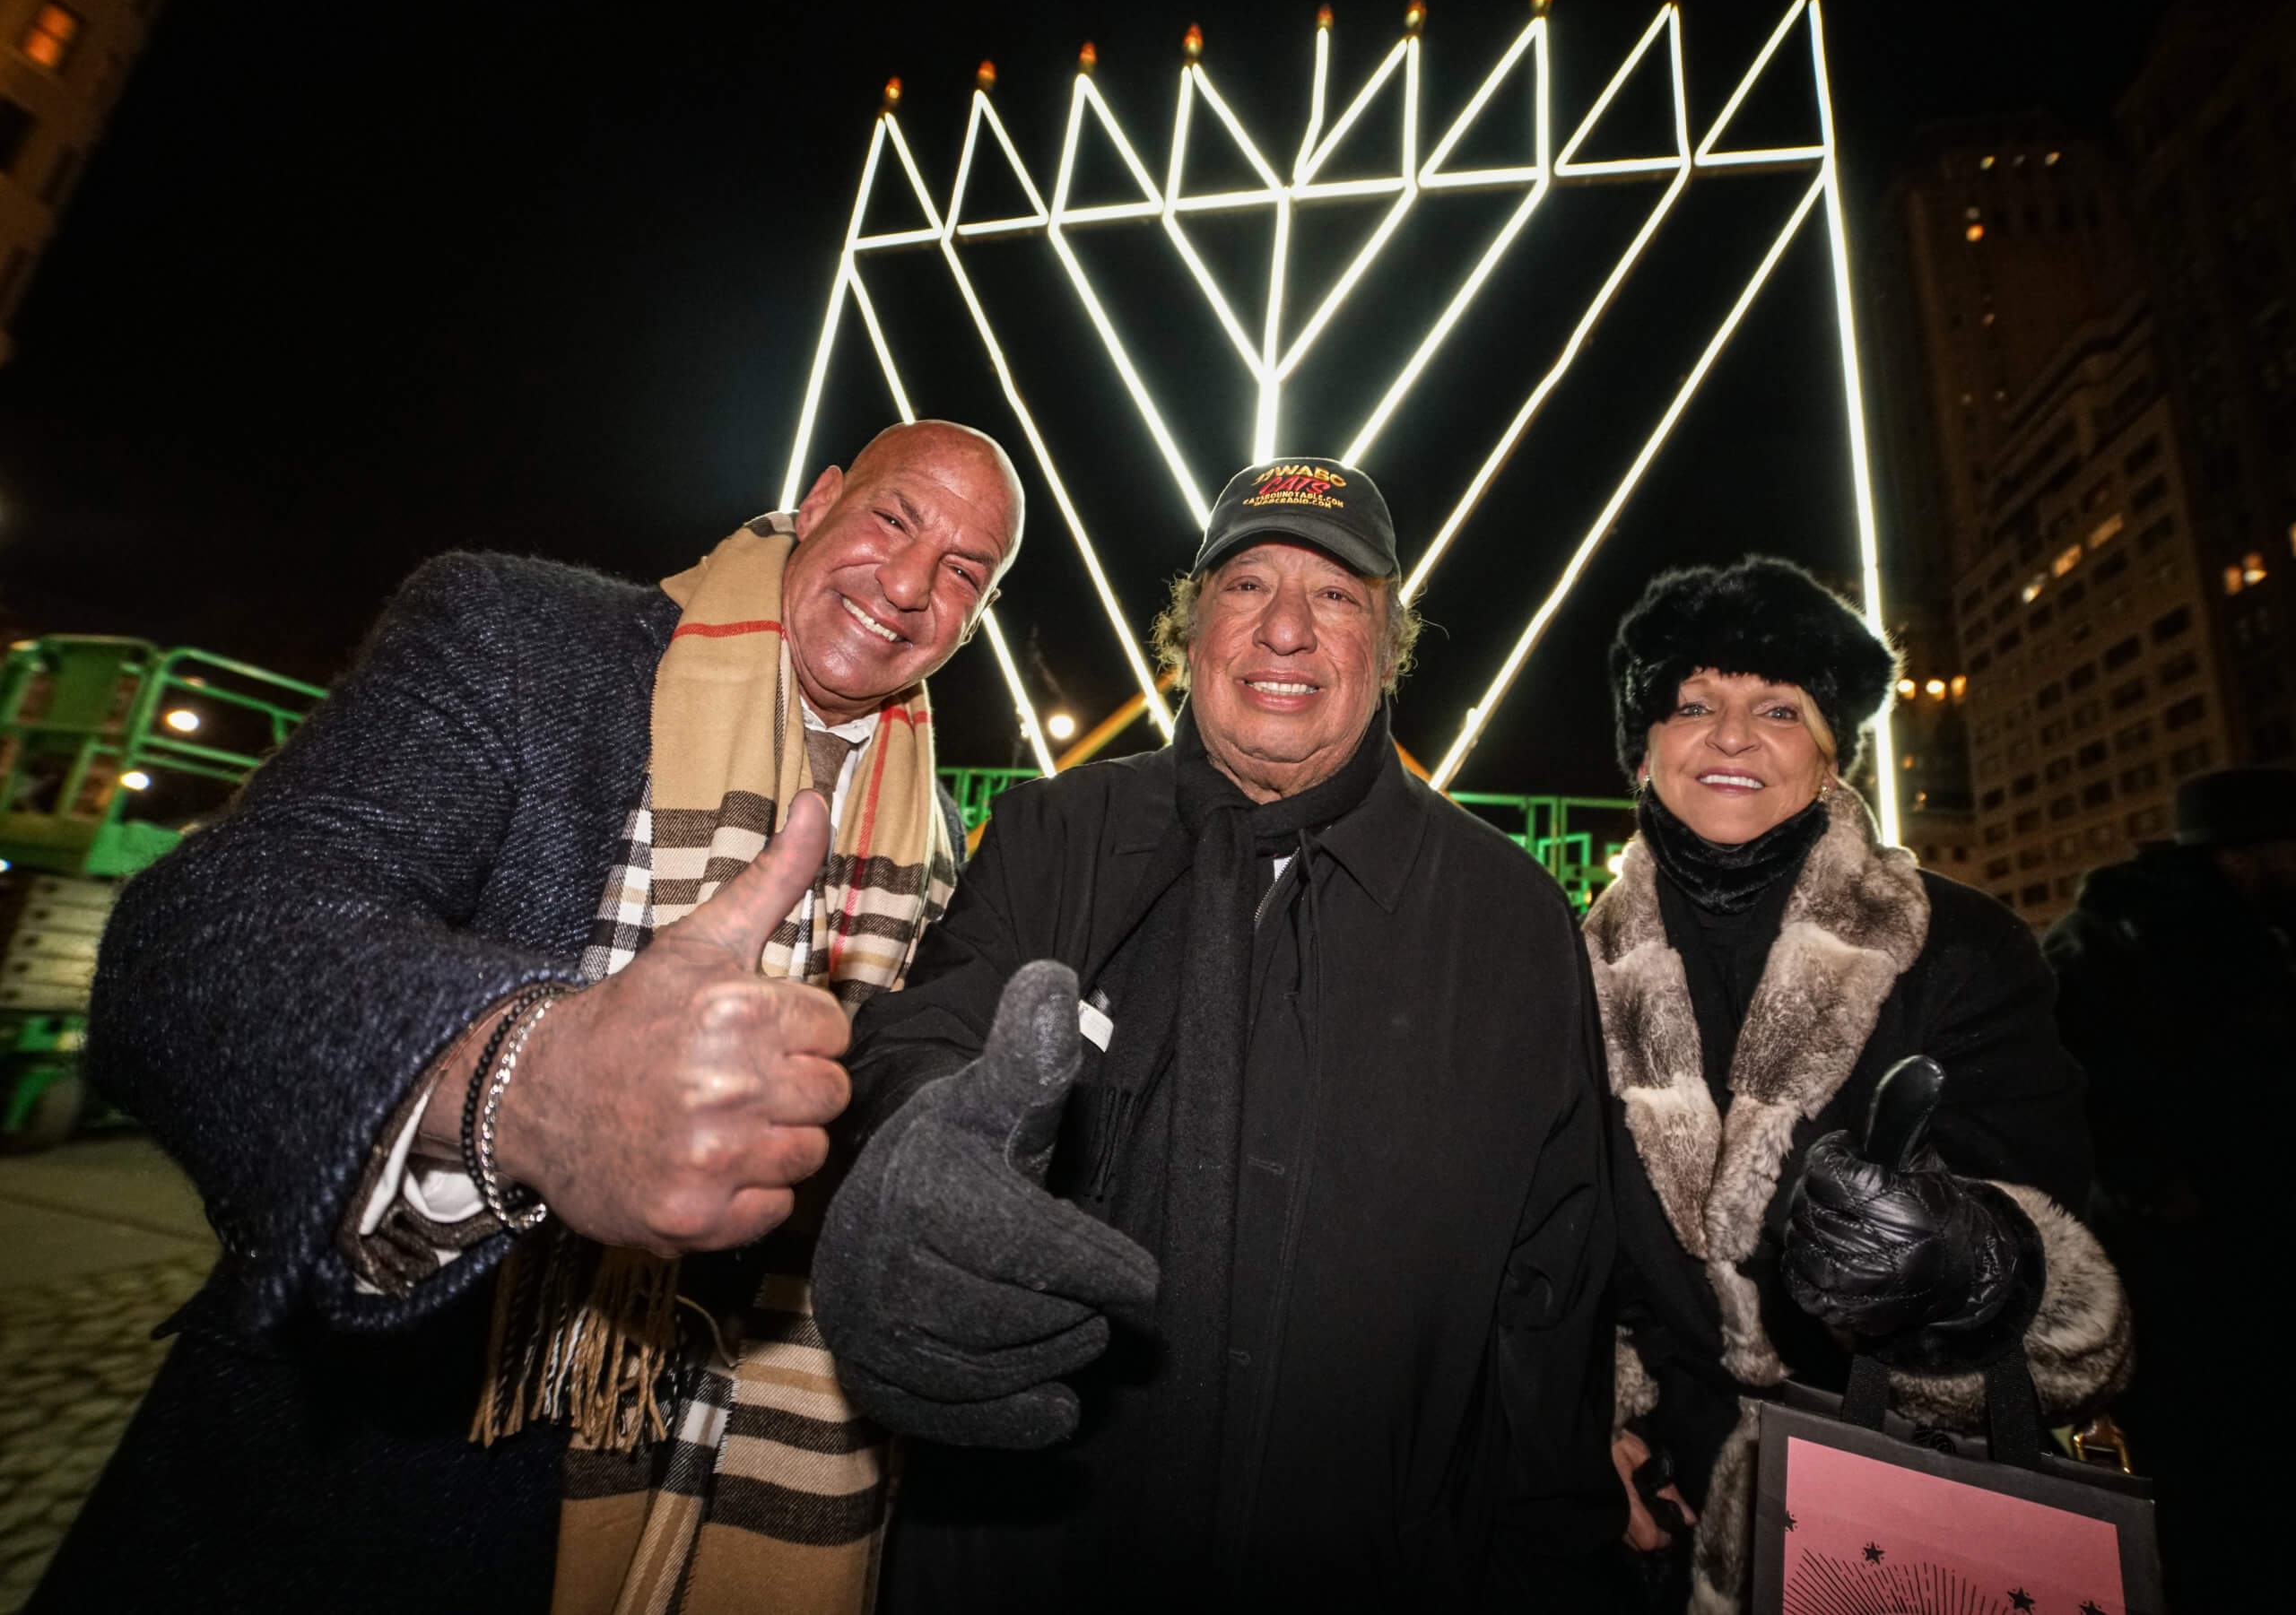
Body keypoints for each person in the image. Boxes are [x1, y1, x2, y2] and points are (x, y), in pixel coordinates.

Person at [34, 421, 1025, 1615]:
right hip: (367, 1482)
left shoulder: (937, 841)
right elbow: (195, 943)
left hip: (701, 1490)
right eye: (894, 518)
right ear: (817, 501)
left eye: (967, 571)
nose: (914, 584)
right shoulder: (522, 637)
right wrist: (521, 1078)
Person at [810, 456, 1624, 1610]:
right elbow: (925, 1042)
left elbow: (1554, 1300)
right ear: (1189, 634)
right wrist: (919, 1153)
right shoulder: (1056, 833)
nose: (1286, 628)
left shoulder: (1511, 921)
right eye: (1245, 586)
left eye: (1337, 595)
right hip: (1025, 1558)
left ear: (1387, 644)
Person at [1587, 557, 2131, 1614]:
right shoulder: (1570, 967)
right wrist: (1589, 1420)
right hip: (1669, 1488)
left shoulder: (1959, 943)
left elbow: (2061, 1220)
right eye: (1692, 702)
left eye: (1778, 707)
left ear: (1831, 751)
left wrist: (1968, 1259)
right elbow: (1550, 1238)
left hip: (1903, 1488)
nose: (1732, 735)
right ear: (1643, 746)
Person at [2045, 765, 2296, 1609]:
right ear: (2247, 849)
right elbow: (2062, 1080)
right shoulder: (2123, 937)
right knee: (2209, 1472)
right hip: (2179, 1265)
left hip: (2242, 1246)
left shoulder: (2252, 933)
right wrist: (2155, 1186)